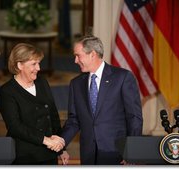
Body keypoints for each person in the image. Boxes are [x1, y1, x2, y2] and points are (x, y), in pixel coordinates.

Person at [61, 35, 143, 165]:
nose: (75, 60)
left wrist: (132, 151)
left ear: (92, 54)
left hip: (116, 152)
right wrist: (60, 143)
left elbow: (134, 117)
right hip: (88, 154)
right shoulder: (76, 84)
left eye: (78, 55)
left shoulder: (123, 78)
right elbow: (74, 120)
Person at [0, 43, 68, 165]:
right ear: (19, 65)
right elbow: (15, 127)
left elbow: (53, 116)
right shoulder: (7, 91)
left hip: (50, 152)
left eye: (39, 63)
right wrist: (45, 140)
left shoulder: (42, 82)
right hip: (25, 155)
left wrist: (61, 149)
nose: (39, 68)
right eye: (34, 64)